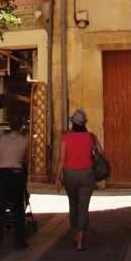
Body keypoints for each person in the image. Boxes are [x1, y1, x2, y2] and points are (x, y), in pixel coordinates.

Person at [54, 107, 101, 251]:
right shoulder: (91, 137)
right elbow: (101, 153)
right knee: (83, 208)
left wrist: (58, 178)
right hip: (87, 175)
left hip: (70, 175)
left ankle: (75, 234)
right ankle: (80, 241)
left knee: (73, 205)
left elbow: (61, 159)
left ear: (73, 123)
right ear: (84, 123)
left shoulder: (66, 138)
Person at [0, 118, 29, 256]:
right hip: (16, 173)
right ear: (21, 128)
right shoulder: (25, 141)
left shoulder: (0, 140)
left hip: (3, 173)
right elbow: (25, 159)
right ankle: (19, 240)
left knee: (0, 207)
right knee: (18, 207)